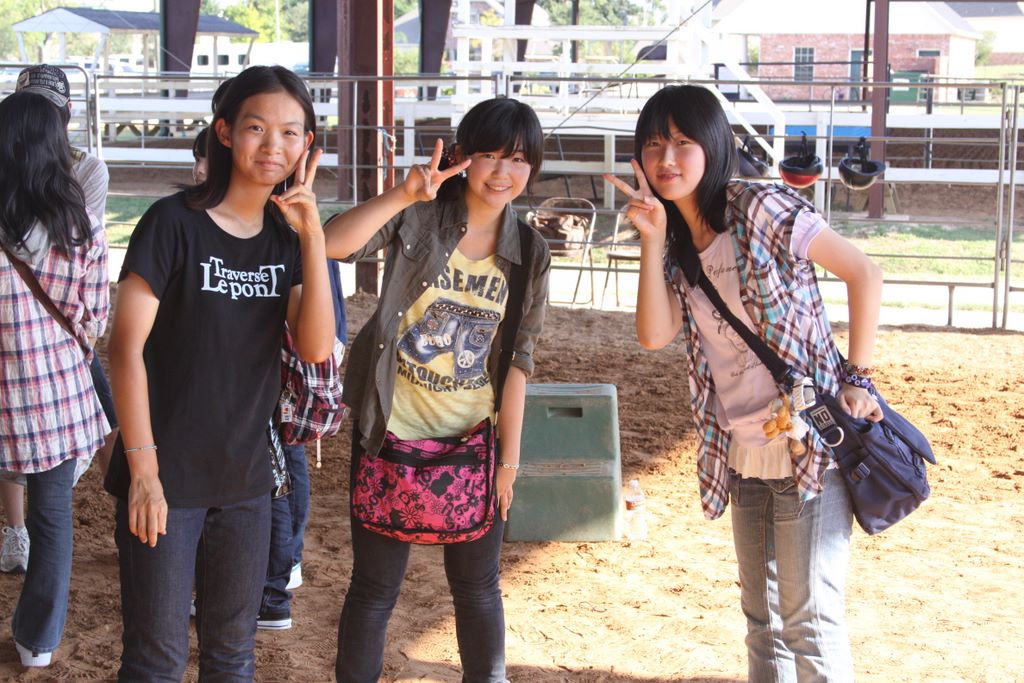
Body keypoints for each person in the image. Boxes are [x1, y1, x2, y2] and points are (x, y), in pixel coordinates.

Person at [603, 84, 883, 682]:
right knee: (764, 623)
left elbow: (864, 272)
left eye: (683, 142)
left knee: (808, 622)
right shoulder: (674, 241)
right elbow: (654, 335)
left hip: (811, 443)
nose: (667, 159)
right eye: (653, 145)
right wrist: (651, 240)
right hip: (742, 449)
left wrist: (859, 378)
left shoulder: (761, 206)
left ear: (714, 146)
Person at [103, 65, 334, 680]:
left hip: (245, 481)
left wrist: (313, 238)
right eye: (257, 127)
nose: (273, 145)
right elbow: (124, 348)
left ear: (306, 145)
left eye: (290, 132)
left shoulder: (286, 240)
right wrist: (144, 473)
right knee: (155, 659)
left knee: (233, 653)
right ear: (225, 132)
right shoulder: (171, 222)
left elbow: (315, 347)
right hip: (165, 477)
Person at [325, 97, 551, 683]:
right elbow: (332, 244)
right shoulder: (420, 217)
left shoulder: (530, 251)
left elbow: (519, 360)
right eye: (489, 155)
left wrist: (508, 462)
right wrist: (402, 195)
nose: (502, 172)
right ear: (462, 156)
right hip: (388, 431)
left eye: (518, 159)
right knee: (374, 588)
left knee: (477, 588)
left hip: (473, 442)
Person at [0, 91, 110, 667]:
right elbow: (97, 315)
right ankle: (37, 641)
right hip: (55, 393)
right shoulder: (81, 225)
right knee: (52, 519)